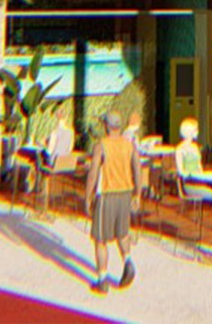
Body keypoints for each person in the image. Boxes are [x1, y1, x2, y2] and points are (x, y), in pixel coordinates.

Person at [86, 110, 145, 295]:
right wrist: (138, 193)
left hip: (107, 193)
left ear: (106, 126)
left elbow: (93, 173)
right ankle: (128, 261)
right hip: (125, 192)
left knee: (100, 239)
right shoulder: (129, 145)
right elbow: (137, 168)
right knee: (122, 233)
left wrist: (88, 196)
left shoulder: (101, 146)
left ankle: (102, 279)